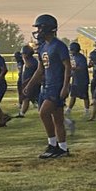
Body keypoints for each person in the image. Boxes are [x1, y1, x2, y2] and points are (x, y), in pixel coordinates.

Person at [25, 14, 73, 158]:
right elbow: (40, 69)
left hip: (56, 86)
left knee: (43, 113)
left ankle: (52, 144)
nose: (38, 30)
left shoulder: (59, 45)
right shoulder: (43, 47)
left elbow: (67, 67)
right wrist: (30, 84)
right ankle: (63, 148)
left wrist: (65, 86)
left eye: (40, 27)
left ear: (47, 28)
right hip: (47, 85)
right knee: (57, 119)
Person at [66, 41, 91, 127]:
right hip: (75, 79)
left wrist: (73, 69)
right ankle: (69, 109)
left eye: (72, 50)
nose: (71, 51)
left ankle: (87, 110)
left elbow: (82, 67)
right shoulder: (72, 57)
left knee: (84, 96)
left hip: (82, 79)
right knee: (73, 95)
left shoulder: (81, 58)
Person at [16, 44, 38, 117]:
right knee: (26, 98)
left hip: (30, 82)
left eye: (23, 53)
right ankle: (22, 113)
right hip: (26, 82)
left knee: (29, 98)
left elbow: (29, 66)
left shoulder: (32, 61)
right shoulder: (27, 61)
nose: (22, 55)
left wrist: (24, 58)